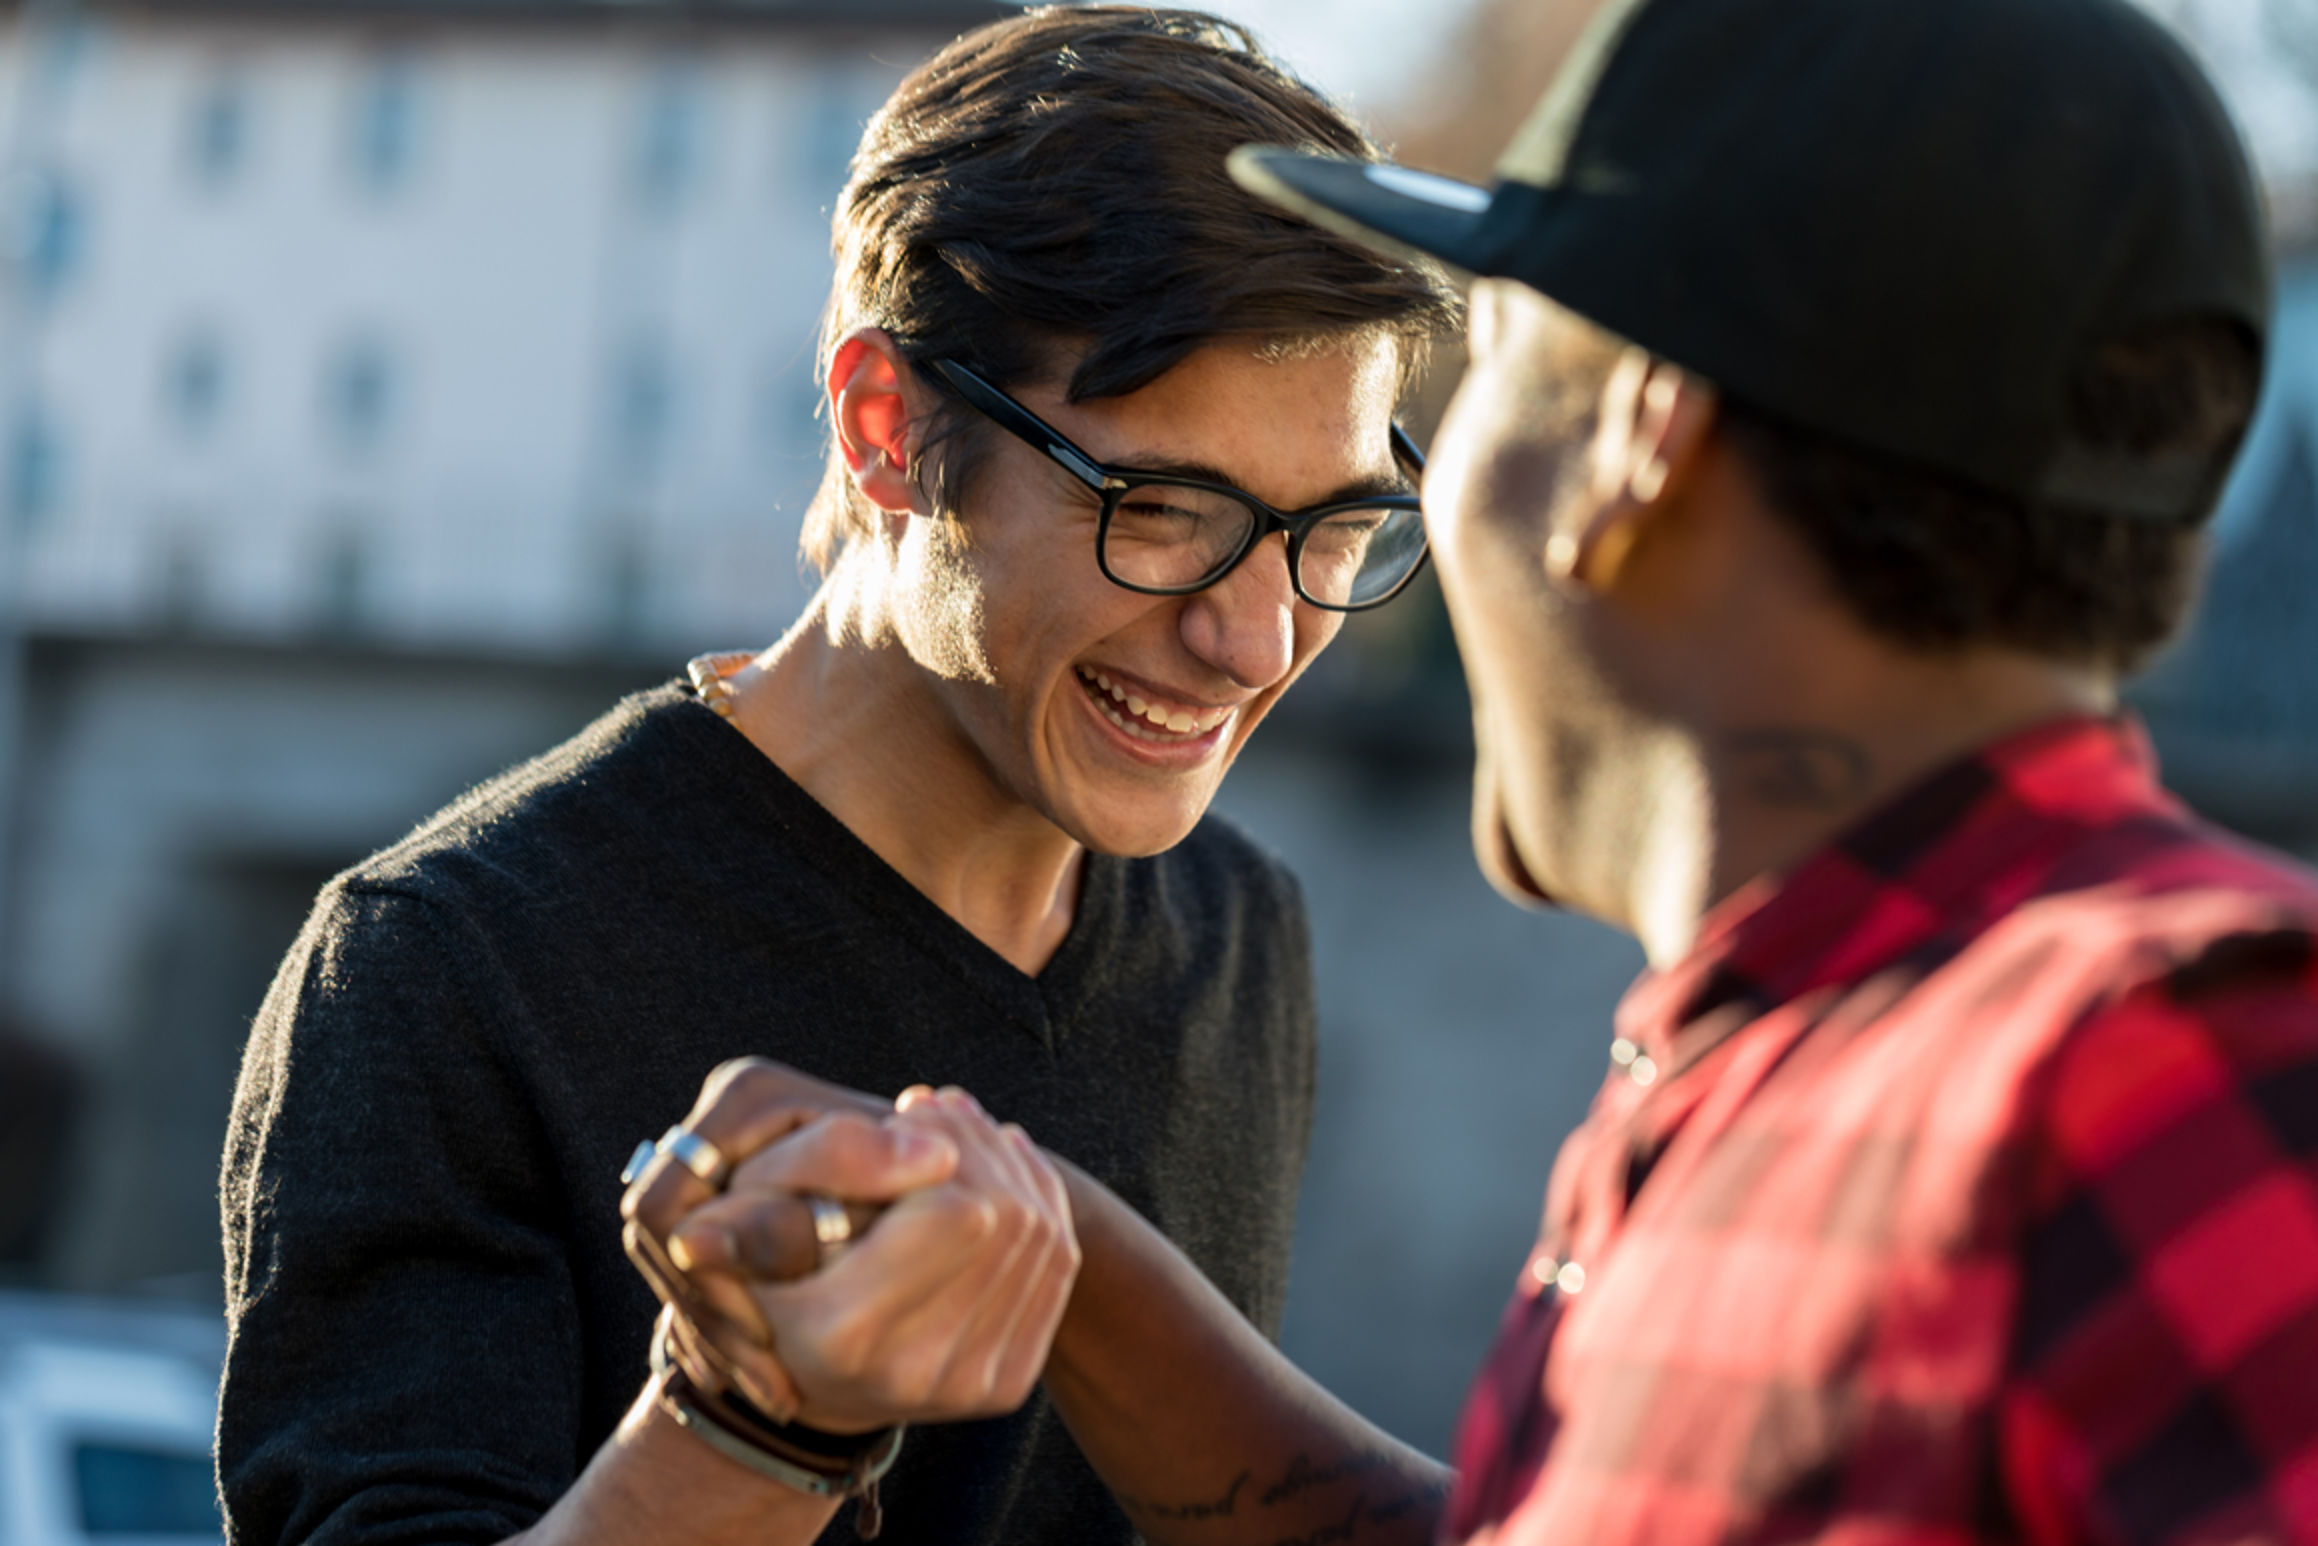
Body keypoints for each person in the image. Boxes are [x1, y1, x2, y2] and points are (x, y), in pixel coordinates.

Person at [633, 0, 2318, 1540]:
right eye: (1165, 510)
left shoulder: (2186, 1069)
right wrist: (1052, 1254)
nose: (1257, 629)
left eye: (1483, 364)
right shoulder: (1812, 1069)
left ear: (1633, 438)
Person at [214, 9, 1460, 1545]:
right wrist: (744, 1426)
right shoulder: (444, 965)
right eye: (1165, 508)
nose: (1255, 634)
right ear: (886, 426)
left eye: (1332, 526)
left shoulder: (1234, 929)